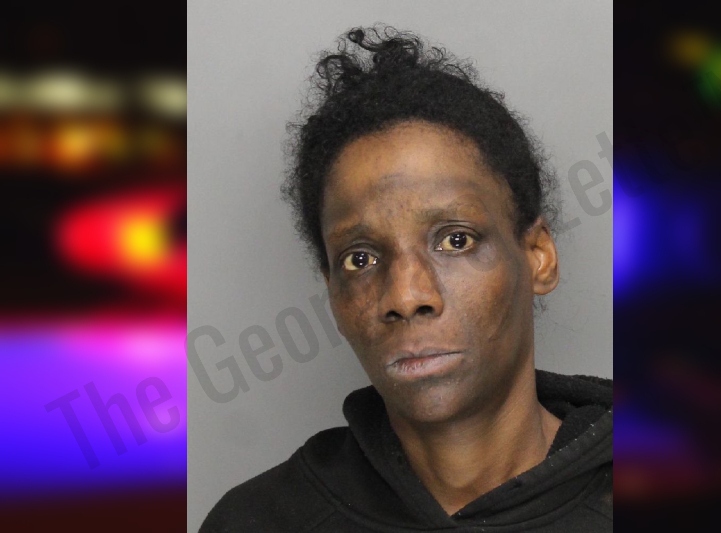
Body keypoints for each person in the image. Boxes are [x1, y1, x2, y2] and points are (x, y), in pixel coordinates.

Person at [200, 26, 612, 532]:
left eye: (455, 240)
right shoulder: (259, 521)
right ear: (331, 293)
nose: (406, 295)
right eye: (360, 259)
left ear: (538, 256)